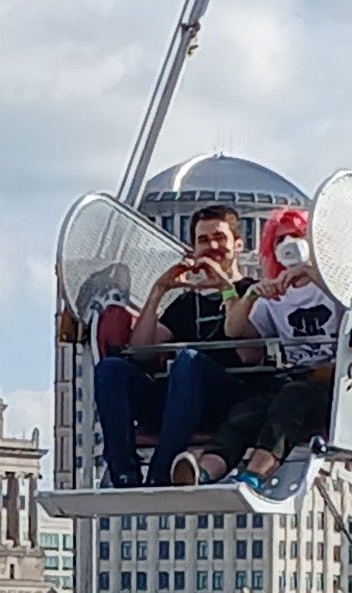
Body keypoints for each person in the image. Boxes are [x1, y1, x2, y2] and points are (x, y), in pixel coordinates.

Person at [169, 207, 341, 492]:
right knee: (251, 409)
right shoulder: (276, 295)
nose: (290, 244)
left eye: (298, 236)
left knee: (292, 398)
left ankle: (256, 472)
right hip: (294, 380)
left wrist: (312, 272)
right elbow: (235, 331)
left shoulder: (333, 289)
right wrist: (250, 295)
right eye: (281, 239)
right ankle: (206, 470)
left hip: (331, 385)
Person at [93, 204, 253, 488]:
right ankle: (124, 471)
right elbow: (141, 351)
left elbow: (251, 355)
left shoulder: (252, 292)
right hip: (179, 402)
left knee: (188, 360)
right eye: (203, 240)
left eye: (219, 238)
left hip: (229, 400)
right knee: (110, 369)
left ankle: (162, 468)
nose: (212, 246)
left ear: (238, 245)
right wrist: (159, 291)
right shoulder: (186, 302)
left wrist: (226, 287)